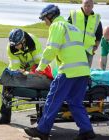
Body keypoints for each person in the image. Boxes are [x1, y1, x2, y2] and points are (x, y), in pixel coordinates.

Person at [24, 4, 96, 140]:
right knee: (75, 102)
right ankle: (87, 131)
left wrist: (40, 68)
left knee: (52, 100)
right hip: (83, 71)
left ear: (50, 16)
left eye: (44, 19)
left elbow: (52, 48)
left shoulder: (57, 25)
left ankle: (42, 130)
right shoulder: (72, 27)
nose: (44, 22)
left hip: (68, 71)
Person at [0, 28, 43, 124]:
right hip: (20, 69)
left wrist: (30, 73)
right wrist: (19, 73)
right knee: (7, 83)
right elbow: (14, 66)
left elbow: (39, 63)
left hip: (35, 69)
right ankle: (5, 116)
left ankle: (41, 117)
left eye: (17, 44)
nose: (15, 47)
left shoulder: (34, 42)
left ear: (23, 41)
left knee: (39, 86)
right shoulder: (11, 47)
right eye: (14, 45)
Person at [68, 0, 103, 67]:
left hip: (88, 50)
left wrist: (95, 46)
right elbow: (66, 30)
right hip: (74, 48)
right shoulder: (74, 15)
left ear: (93, 6)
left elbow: (99, 34)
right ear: (82, 5)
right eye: (85, 5)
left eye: (89, 6)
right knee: (72, 69)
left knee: (86, 72)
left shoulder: (96, 18)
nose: (87, 8)